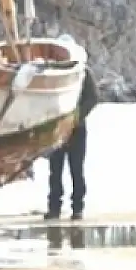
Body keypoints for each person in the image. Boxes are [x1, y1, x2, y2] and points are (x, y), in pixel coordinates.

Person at [46, 47, 98, 221]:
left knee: (76, 169)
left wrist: (75, 117)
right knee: (55, 170)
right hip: (57, 129)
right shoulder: (52, 72)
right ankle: (54, 208)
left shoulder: (83, 73)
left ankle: (77, 208)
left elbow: (92, 98)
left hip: (77, 129)